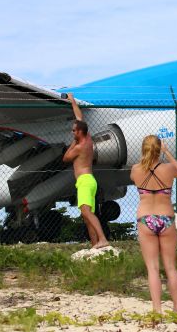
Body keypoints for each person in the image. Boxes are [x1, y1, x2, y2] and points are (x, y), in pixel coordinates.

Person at [130, 135, 177, 313]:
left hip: (146, 219)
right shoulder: (168, 169)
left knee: (152, 268)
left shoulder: (136, 170)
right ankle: (176, 309)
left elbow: (136, 175)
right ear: (159, 149)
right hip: (166, 218)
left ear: (143, 149)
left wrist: (148, 157)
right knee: (170, 267)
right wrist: (167, 153)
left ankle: (157, 310)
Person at [62, 93, 109, 249]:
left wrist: (72, 143)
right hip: (90, 181)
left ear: (80, 133)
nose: (72, 132)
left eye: (74, 131)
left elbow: (65, 158)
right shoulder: (87, 138)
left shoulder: (79, 147)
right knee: (88, 216)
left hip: (83, 182)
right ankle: (95, 245)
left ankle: (102, 239)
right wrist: (72, 101)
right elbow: (80, 118)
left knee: (87, 213)